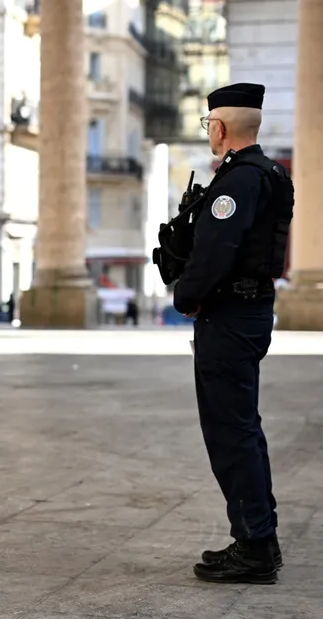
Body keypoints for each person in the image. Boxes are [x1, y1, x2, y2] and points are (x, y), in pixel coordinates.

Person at [174, 83, 293, 585]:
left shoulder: (237, 181)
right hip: (251, 307)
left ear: (219, 128)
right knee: (242, 426)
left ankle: (255, 546)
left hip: (229, 314)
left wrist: (186, 295)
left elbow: (215, 252)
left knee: (231, 431)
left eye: (208, 125)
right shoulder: (272, 173)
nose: (209, 133)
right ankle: (258, 535)